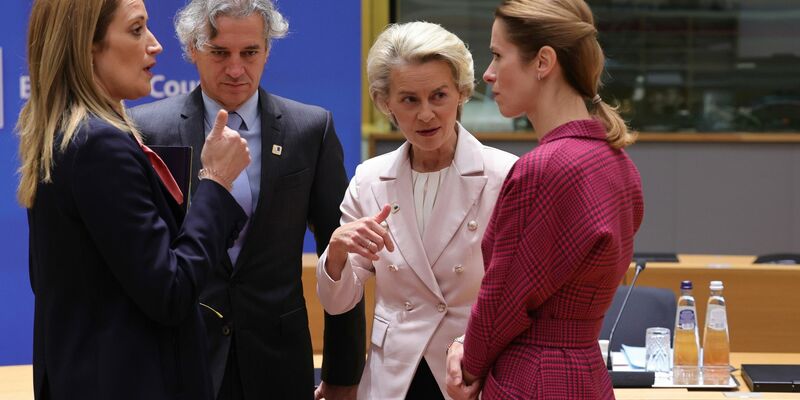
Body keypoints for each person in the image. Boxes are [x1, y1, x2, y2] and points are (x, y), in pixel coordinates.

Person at [129, 1, 365, 399]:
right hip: (183, 357)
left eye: (250, 52)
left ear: (267, 50)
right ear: (191, 49)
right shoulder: (148, 130)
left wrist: (343, 374)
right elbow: (143, 265)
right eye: (220, 53)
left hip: (279, 360)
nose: (236, 69)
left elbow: (339, 251)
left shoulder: (309, 129)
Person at [18, 0, 250, 399]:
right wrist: (215, 181)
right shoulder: (99, 146)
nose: (156, 45)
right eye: (137, 29)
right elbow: (171, 291)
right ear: (87, 45)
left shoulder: (69, 138)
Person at [445, 0, 645, 399]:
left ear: (543, 62)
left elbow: (503, 298)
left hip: (533, 376)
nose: (488, 73)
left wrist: (466, 362)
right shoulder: (617, 163)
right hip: (587, 372)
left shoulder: (546, 167)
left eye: (499, 55)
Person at [316, 21, 518, 400]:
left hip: (469, 370)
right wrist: (337, 252)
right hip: (394, 373)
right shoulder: (369, 179)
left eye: (438, 95)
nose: (426, 114)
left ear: (461, 93)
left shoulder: (504, 174)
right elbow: (338, 300)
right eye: (409, 99)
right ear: (385, 102)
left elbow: (516, 294)